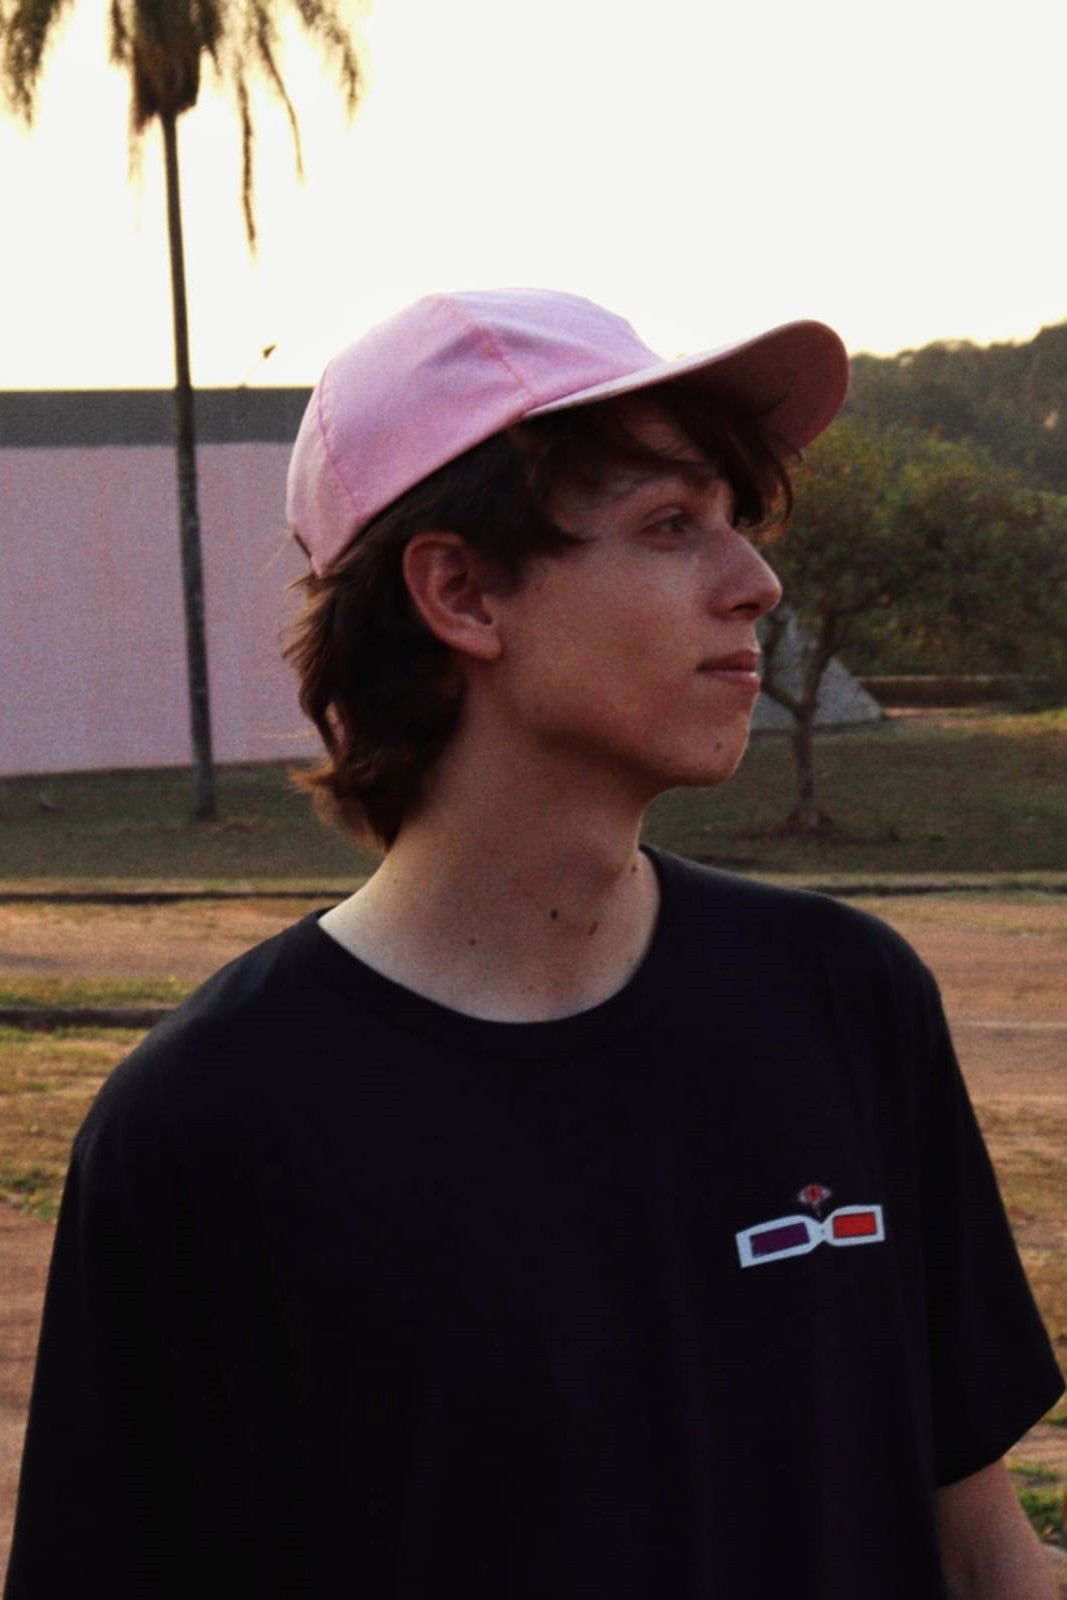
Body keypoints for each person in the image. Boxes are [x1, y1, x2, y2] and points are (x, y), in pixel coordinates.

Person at [5, 289, 1062, 1600]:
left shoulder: (846, 999)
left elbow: (984, 1555)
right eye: (670, 525)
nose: (756, 582)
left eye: (735, 522)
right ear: (460, 592)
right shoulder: (205, 1126)